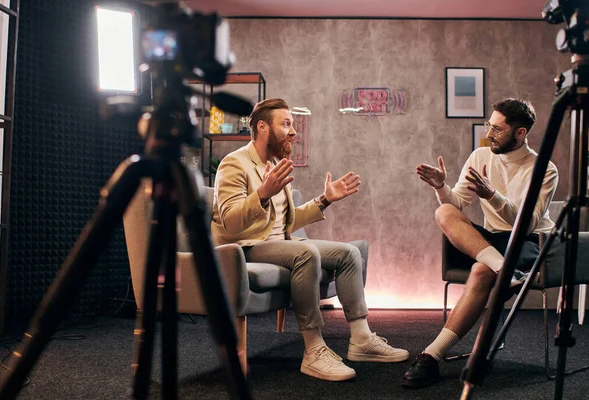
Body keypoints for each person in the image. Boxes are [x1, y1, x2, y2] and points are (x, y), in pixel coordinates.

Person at [211, 98, 409, 382]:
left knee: (349, 254)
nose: (293, 132)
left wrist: (325, 199)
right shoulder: (234, 163)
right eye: (287, 124)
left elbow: (287, 221)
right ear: (263, 127)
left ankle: (361, 339)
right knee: (306, 255)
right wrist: (262, 194)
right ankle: (313, 350)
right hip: (245, 248)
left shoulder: (277, 165)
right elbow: (229, 222)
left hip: (279, 242)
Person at [403, 98, 558, 388]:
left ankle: (431, 355)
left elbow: (528, 222)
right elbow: (457, 202)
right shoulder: (480, 156)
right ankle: (505, 270)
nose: (490, 134)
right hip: (493, 243)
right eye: (489, 125)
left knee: (480, 272)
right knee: (443, 211)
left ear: (520, 133)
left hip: (528, 241)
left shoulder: (544, 169)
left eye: (498, 129)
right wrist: (441, 187)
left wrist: (492, 196)